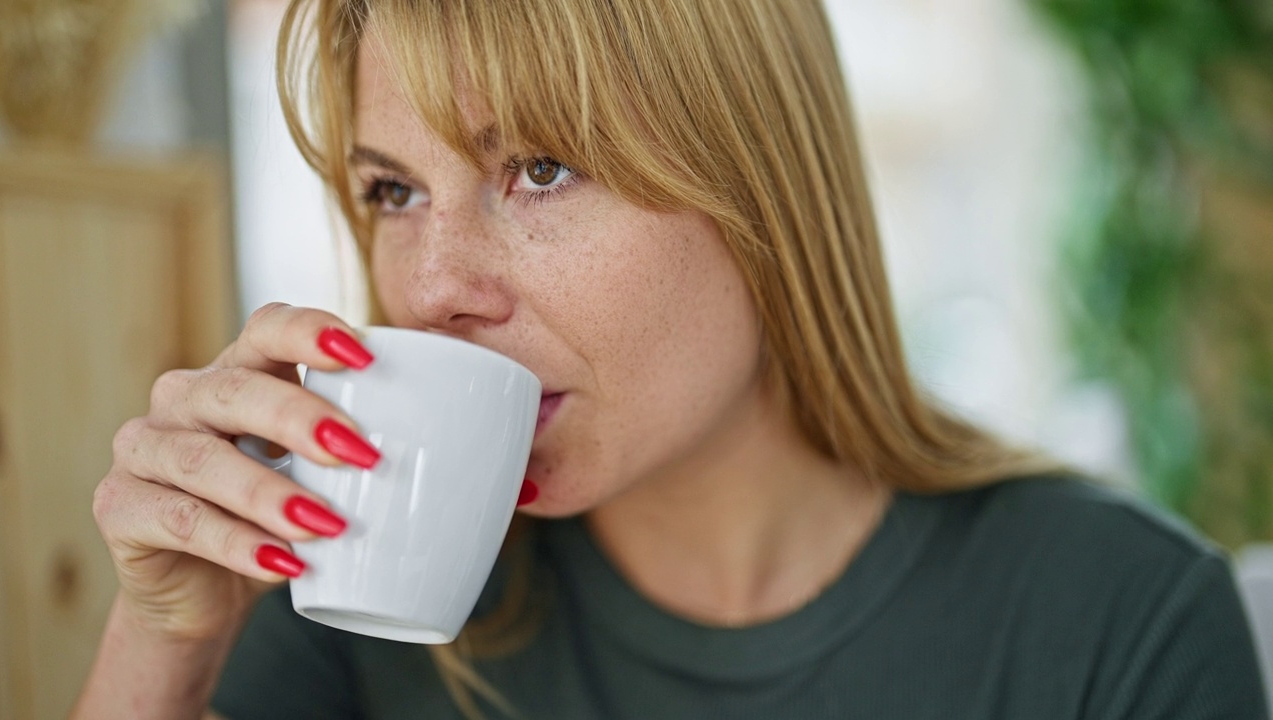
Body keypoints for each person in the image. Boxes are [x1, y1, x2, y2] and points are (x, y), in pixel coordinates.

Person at [73, 0, 1267, 718]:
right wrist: (163, 648)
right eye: (392, 189)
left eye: (537, 168)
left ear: (758, 186)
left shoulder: (1120, 623)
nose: (431, 289)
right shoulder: (357, 608)